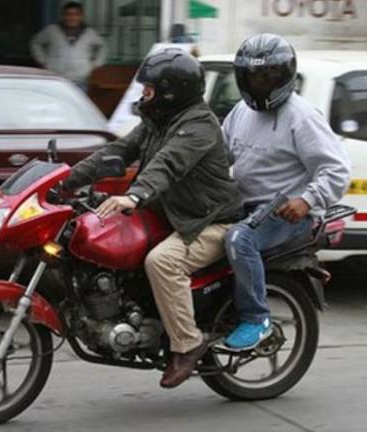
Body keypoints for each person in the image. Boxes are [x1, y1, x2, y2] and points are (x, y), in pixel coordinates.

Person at [62, 49, 244, 388]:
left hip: (209, 221)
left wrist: (134, 195)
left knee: (162, 261)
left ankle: (187, 344)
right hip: (172, 216)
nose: (143, 95)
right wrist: (64, 180)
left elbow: (169, 164)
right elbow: (114, 153)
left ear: (171, 93)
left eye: (149, 89)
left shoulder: (199, 126)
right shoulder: (156, 122)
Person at [221, 34, 351, 350]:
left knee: (240, 239)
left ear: (284, 75)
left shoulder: (301, 116)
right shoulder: (241, 111)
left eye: (268, 76)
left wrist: (306, 200)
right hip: (245, 204)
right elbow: (221, 156)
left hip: (283, 211)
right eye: (253, 76)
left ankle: (256, 318)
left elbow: (337, 169)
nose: (260, 83)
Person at [30, 2, 107, 91]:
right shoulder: (52, 30)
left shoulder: (89, 33)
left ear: (81, 16)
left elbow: (103, 46)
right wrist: (43, 60)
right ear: (63, 16)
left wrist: (95, 64)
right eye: (69, 14)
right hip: (56, 79)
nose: (72, 17)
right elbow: (35, 42)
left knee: (77, 105)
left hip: (80, 80)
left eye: (76, 14)